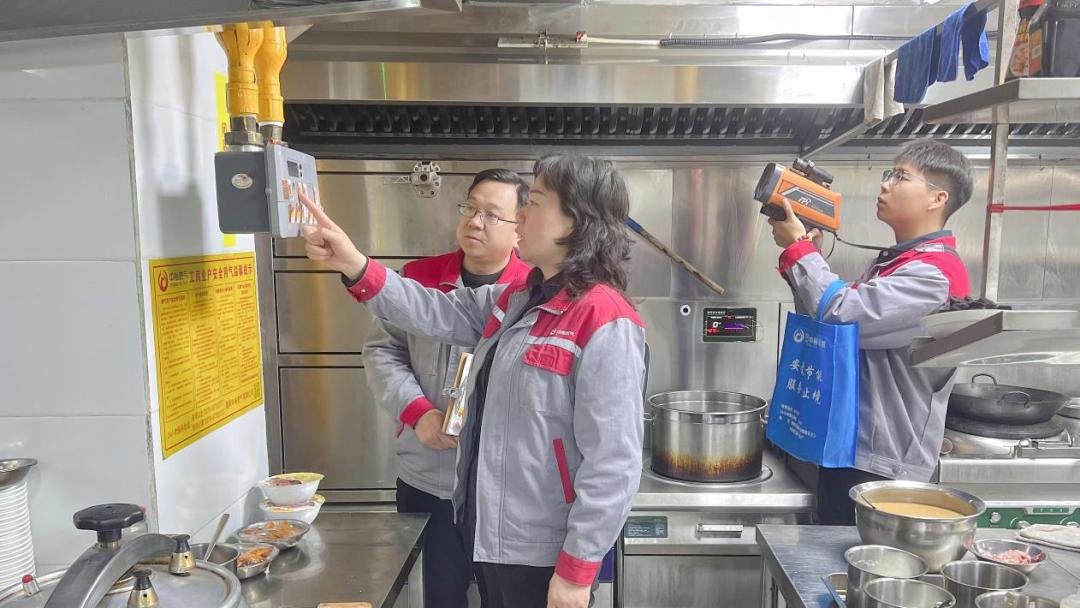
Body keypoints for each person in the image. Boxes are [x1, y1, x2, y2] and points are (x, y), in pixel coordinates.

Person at [302, 153, 647, 608]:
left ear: (576, 221)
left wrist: (576, 573)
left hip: (543, 551)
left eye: (535, 202)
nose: (521, 216)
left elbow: (613, 464)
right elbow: (432, 311)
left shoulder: (604, 319)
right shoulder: (519, 298)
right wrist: (355, 264)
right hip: (494, 532)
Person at [768, 139, 973, 525]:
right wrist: (806, 256)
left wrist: (800, 250)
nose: (885, 184)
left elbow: (842, 316)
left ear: (937, 198)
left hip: (882, 465)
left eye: (900, 177)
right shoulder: (898, 264)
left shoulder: (934, 276)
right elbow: (828, 328)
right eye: (888, 174)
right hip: (855, 451)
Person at [362, 168, 532, 608]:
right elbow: (382, 352)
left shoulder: (533, 292)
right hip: (427, 476)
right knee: (437, 596)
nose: (475, 221)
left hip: (503, 489)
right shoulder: (416, 279)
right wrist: (418, 412)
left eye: (492, 214)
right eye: (470, 208)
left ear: (521, 229)